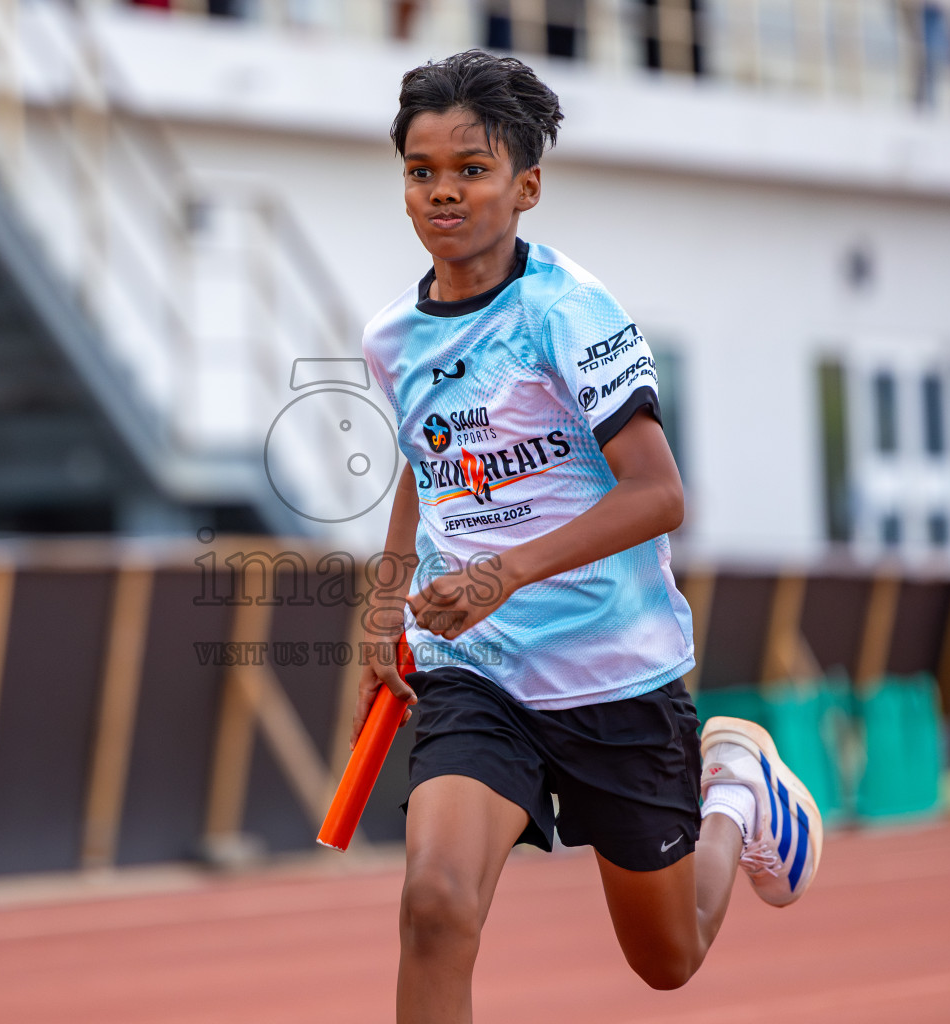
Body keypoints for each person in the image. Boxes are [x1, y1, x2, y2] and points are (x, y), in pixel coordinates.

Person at [351, 50, 824, 1023]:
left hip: (615, 670)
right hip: (478, 673)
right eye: (421, 170)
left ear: (526, 186)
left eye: (472, 169)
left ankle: (736, 790)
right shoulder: (393, 338)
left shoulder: (569, 313)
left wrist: (501, 574)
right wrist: (385, 600)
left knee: (668, 958)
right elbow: (424, 462)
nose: (443, 191)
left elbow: (659, 494)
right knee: (434, 906)